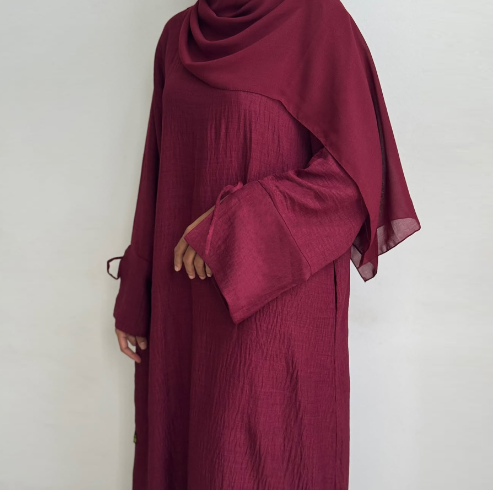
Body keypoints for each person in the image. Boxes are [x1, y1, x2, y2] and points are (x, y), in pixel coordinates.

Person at [106, 0, 421, 488]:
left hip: (276, 309)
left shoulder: (320, 22)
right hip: (183, 303)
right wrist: (138, 289)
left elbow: (357, 179)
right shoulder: (178, 37)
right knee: (188, 455)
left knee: (254, 462)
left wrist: (237, 225)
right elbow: (159, 167)